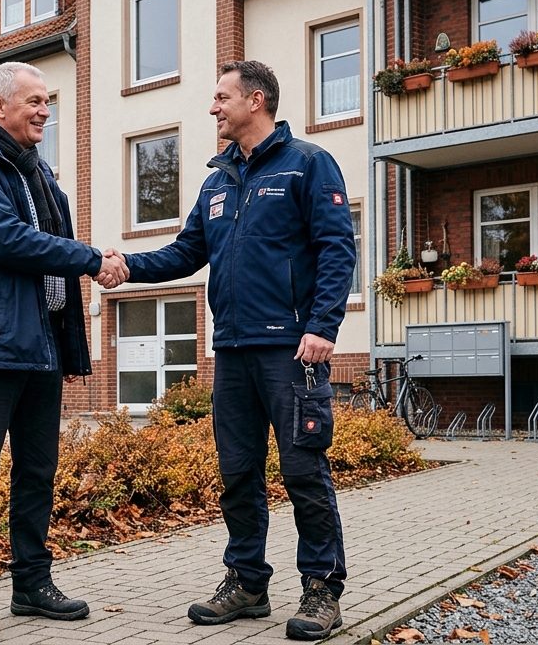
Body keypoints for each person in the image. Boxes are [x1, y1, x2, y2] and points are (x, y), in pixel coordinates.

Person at [112, 60, 356, 641]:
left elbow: (336, 250)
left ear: (255, 100)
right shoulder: (217, 181)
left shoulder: (308, 165)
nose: (213, 108)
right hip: (234, 350)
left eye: (221, 97)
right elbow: (185, 252)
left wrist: (322, 326)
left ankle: (323, 590)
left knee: (303, 471)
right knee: (238, 472)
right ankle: (248, 583)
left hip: (293, 352)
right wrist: (125, 267)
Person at [0, 61, 129, 640]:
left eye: (48, 101)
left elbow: (53, 262)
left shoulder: (43, 178)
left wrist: (69, 344)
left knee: (37, 472)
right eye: (35, 100)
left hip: (40, 343)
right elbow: (8, 240)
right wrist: (92, 258)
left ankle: (31, 584)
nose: (46, 110)